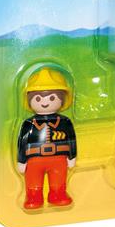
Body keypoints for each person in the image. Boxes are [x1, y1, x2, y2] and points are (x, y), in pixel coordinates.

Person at [17, 68, 77, 209]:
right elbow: (22, 142)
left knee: (58, 180)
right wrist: (21, 160)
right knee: (33, 181)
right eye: (38, 98)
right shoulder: (29, 123)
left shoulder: (65, 122)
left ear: (63, 99)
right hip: (34, 159)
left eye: (52, 98)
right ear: (29, 100)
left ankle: (57, 194)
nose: (45, 102)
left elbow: (71, 139)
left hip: (59, 159)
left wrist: (72, 156)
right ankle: (33, 196)